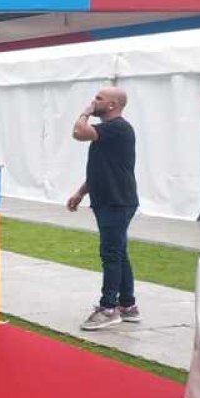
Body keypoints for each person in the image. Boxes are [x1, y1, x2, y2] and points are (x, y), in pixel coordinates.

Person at [68, 86, 141, 330]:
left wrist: (85, 112)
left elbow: (78, 132)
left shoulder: (118, 127)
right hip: (111, 200)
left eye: (98, 99)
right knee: (119, 252)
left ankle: (108, 308)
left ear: (111, 105)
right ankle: (128, 305)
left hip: (117, 201)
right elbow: (102, 169)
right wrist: (80, 193)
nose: (93, 101)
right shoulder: (108, 132)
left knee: (111, 253)